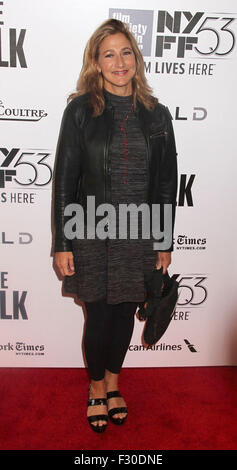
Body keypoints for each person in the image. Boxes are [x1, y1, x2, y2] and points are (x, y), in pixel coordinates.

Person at [52, 18, 178, 433]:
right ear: (96, 62)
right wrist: (63, 242)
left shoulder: (157, 116)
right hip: (91, 232)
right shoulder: (80, 112)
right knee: (100, 317)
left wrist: (163, 239)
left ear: (136, 60)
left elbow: (164, 183)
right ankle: (94, 389)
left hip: (140, 234)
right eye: (109, 54)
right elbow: (66, 179)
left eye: (126, 52)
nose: (119, 61)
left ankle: (114, 384)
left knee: (124, 316)